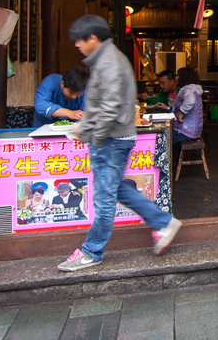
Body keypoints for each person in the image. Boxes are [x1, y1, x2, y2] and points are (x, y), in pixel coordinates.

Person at [58, 15, 181, 272]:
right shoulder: (107, 60)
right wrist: (86, 127)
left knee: (104, 199)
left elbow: (111, 106)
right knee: (115, 190)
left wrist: (94, 134)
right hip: (111, 139)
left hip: (110, 141)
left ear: (92, 38)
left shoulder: (110, 62)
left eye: (79, 41)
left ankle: (92, 251)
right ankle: (163, 222)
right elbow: (103, 104)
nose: (77, 46)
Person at [172, 67, 204, 143]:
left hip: (186, 131)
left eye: (178, 75)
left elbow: (190, 100)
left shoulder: (187, 89)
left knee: (164, 137)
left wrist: (181, 112)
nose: (176, 78)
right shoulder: (195, 89)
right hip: (195, 130)